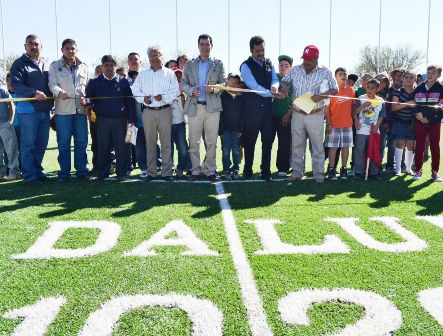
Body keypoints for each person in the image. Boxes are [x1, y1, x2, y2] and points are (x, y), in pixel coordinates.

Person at [282, 44, 338, 183]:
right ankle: (296, 173)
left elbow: (335, 89)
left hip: (316, 113)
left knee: (317, 146)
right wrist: (283, 89)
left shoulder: (325, 71)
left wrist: (322, 96)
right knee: (297, 145)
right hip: (297, 113)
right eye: (305, 58)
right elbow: (284, 82)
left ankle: (318, 174)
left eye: (310, 59)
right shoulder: (295, 70)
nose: (306, 62)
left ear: (317, 58)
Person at [10, 34, 54, 186]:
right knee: (28, 144)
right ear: (25, 46)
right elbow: (16, 85)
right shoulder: (19, 63)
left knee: (42, 143)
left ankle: (37, 171)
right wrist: (33, 92)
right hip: (28, 111)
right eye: (30, 44)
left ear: (41, 47)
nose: (33, 46)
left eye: (36, 44)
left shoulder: (46, 64)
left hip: (45, 111)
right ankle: (29, 175)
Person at [131, 45, 179, 182]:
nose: (154, 57)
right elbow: (134, 90)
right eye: (152, 54)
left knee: (166, 143)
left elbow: (175, 91)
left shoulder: (169, 73)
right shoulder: (142, 74)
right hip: (148, 112)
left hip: (165, 110)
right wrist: (143, 98)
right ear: (148, 57)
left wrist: (163, 97)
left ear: (162, 56)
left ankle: (167, 172)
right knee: (150, 143)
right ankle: (151, 172)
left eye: (157, 54)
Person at [182, 34, 225, 182]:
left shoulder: (218, 64)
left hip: (212, 109)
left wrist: (213, 89)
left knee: (212, 141)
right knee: (194, 142)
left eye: (207, 44)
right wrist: (190, 91)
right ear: (198, 46)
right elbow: (184, 84)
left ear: (211, 46)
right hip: (195, 107)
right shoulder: (190, 64)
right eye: (202, 44)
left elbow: (224, 84)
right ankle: (195, 170)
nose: (205, 47)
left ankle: (211, 170)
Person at [240, 36, 284, 181]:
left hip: (267, 110)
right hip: (251, 110)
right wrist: (271, 93)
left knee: (267, 142)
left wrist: (275, 86)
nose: (261, 53)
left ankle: (266, 172)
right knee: (250, 142)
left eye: (263, 50)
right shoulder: (245, 66)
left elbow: (275, 79)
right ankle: (247, 171)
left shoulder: (269, 62)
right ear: (251, 50)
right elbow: (252, 86)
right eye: (258, 50)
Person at [85, 55, 135, 181]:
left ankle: (121, 173)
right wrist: (85, 102)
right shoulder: (94, 82)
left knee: (121, 147)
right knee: (103, 147)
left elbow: (130, 102)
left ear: (115, 67)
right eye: (106, 65)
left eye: (112, 65)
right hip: (101, 120)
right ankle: (102, 173)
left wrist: (131, 119)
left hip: (121, 120)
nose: (109, 68)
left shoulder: (123, 81)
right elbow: (88, 100)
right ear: (102, 67)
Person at [48, 38, 89, 182]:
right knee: (64, 144)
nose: (70, 51)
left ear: (76, 50)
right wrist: (59, 92)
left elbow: (87, 89)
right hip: (62, 113)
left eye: (73, 48)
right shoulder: (54, 66)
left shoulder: (84, 66)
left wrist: (87, 100)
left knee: (82, 142)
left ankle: (82, 171)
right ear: (62, 50)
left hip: (80, 112)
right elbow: (52, 84)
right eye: (67, 48)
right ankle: (64, 173)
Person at [412, 64, 443, 182]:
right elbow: (413, 104)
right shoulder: (418, 88)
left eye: (433, 73)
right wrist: (418, 116)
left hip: (434, 122)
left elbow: (439, 108)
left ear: (439, 75)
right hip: (419, 122)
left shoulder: (441, 89)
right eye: (428, 72)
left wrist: (428, 118)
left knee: (435, 147)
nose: (430, 75)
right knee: (419, 146)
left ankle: (435, 172)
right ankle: (418, 170)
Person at [324, 67, 355, 180]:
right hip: (334, 124)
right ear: (335, 77)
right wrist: (328, 123)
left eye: (344, 74)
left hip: (347, 124)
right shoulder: (332, 90)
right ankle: (331, 170)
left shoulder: (351, 91)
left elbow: (353, 107)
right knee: (333, 148)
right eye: (340, 74)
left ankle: (344, 169)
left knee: (345, 148)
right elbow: (326, 108)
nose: (343, 76)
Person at [353, 79, 386, 180]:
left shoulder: (380, 100)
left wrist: (377, 127)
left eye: (373, 88)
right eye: (368, 88)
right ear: (365, 87)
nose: (370, 90)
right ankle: (359, 172)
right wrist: (363, 107)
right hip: (361, 130)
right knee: (360, 151)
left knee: (374, 151)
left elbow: (382, 115)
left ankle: (374, 172)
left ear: (378, 89)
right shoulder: (361, 98)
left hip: (374, 131)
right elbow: (354, 112)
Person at [391, 70, 416, 176]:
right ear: (403, 79)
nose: (408, 79)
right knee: (400, 143)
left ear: (415, 79)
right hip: (399, 122)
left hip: (412, 123)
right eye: (406, 77)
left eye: (411, 77)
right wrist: (408, 103)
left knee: (411, 145)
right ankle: (398, 169)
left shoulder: (417, 92)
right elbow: (393, 107)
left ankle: (409, 169)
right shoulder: (398, 92)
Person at [219, 73, 244, 180]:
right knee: (225, 150)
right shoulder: (222, 96)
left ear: (238, 84)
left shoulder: (241, 98)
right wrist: (220, 131)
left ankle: (236, 170)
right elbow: (220, 114)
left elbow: (243, 115)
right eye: (231, 81)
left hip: (236, 129)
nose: (232, 84)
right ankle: (226, 170)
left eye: (235, 83)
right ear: (227, 82)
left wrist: (241, 129)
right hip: (225, 129)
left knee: (236, 150)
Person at [272, 55, 293, 177]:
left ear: (290, 67)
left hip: (285, 116)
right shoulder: (273, 77)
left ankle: (283, 167)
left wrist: (288, 115)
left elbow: (294, 99)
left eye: (286, 65)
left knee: (284, 143)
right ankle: (265, 167)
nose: (283, 67)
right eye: (281, 65)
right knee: (268, 142)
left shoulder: (293, 80)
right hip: (271, 115)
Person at [171, 68, 189, 177]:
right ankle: (170, 167)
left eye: (180, 77)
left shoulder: (185, 91)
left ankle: (181, 167)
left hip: (180, 123)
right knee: (168, 149)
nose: (178, 79)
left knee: (182, 148)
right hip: (167, 124)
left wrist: (182, 95)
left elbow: (185, 110)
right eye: (176, 77)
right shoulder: (167, 89)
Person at [0, 85, 20, 180]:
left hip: (5, 124)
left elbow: (11, 104)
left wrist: (10, 121)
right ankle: (1, 173)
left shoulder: (2, 90)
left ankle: (14, 173)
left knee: (11, 150)